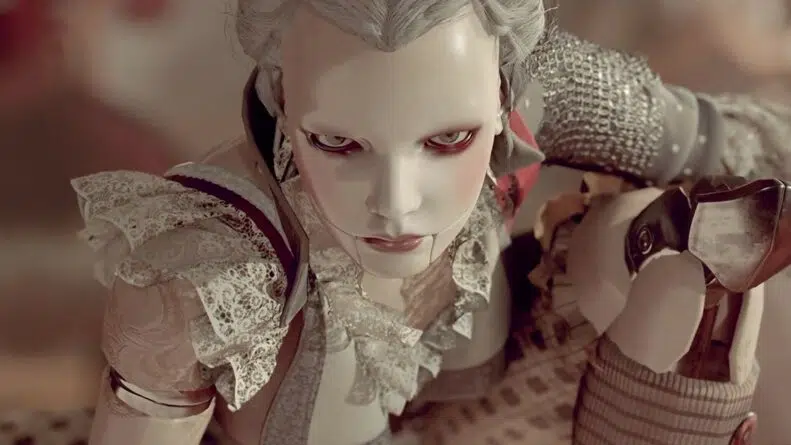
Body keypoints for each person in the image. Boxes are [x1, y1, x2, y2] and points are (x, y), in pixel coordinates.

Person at [54, 0, 791, 444]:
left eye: (449, 140)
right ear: (281, 95)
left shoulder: (545, 86)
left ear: (502, 87)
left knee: (654, 250)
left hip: (506, 407)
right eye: (338, 143)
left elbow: (724, 140)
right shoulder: (203, 270)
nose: (397, 203)